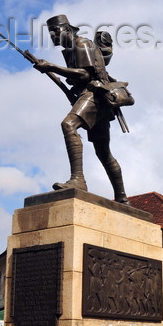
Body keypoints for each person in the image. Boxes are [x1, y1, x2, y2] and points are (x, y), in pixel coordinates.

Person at [34, 15, 130, 204]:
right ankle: (122, 198)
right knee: (103, 152)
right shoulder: (70, 50)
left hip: (94, 95)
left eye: (56, 33)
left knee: (68, 125)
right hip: (93, 98)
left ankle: (78, 179)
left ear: (68, 30)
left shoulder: (81, 44)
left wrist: (51, 66)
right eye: (51, 35)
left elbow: (85, 74)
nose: (54, 38)